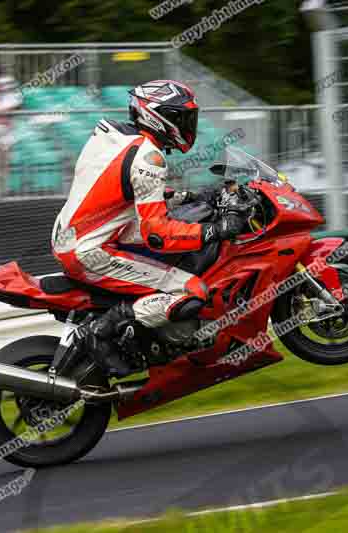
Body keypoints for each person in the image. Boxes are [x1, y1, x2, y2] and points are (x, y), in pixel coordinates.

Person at [51, 80, 246, 378]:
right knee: (192, 290)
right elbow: (159, 235)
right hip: (91, 249)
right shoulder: (150, 157)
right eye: (181, 117)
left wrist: (189, 196)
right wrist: (216, 230)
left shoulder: (114, 135)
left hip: (78, 234)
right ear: (158, 116)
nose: (187, 123)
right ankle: (103, 330)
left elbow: (124, 188)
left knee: (184, 230)